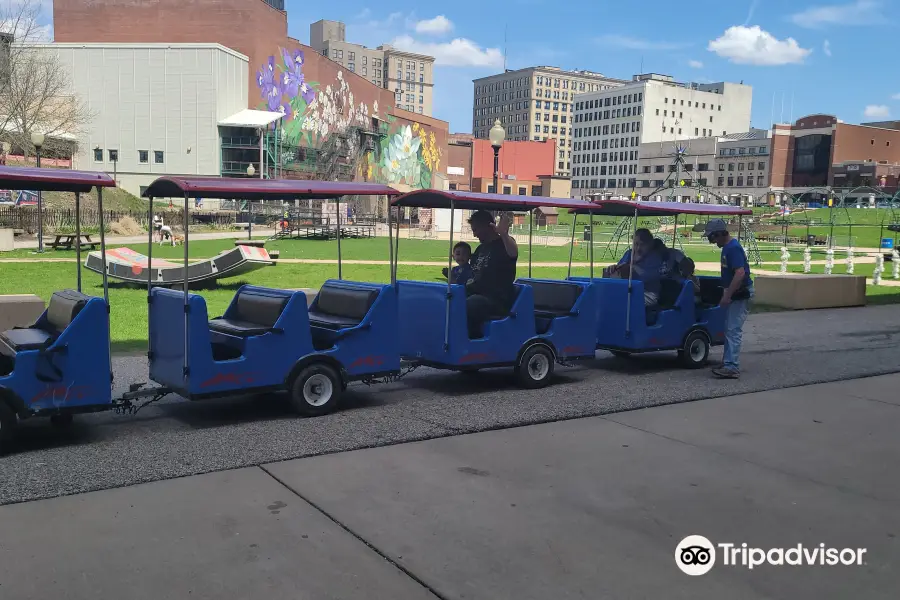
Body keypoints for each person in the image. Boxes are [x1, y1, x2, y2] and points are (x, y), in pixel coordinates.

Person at [705, 218, 753, 379]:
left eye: (711, 237)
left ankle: (732, 366)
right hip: (735, 292)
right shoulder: (727, 248)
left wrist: (727, 295)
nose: (711, 241)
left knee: (733, 330)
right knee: (729, 329)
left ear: (719, 234)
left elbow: (740, 273)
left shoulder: (732, 248)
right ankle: (728, 362)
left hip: (740, 293)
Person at [464, 210, 518, 338]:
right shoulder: (480, 249)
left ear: (487, 226)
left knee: (471, 304)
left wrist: (503, 234)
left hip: (496, 300)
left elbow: (513, 253)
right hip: (476, 293)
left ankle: (472, 341)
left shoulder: (504, 244)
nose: (474, 234)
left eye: (476, 229)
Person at [604, 228, 663, 307]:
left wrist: (633, 266)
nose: (638, 248)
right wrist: (614, 268)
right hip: (627, 289)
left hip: (648, 293)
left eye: (642, 245)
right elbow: (620, 270)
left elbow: (648, 276)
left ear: (650, 244)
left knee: (622, 301)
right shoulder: (629, 254)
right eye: (636, 244)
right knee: (605, 296)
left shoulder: (654, 257)